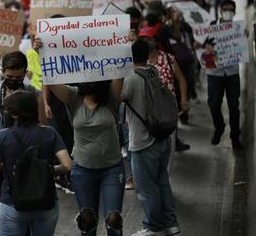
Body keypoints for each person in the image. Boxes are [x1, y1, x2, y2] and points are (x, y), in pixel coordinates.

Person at [0, 51, 45, 236]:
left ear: (25, 73)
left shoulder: (33, 94)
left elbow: (42, 128)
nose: (13, 80)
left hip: (25, 168)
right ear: (1, 71)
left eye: (18, 77)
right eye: (9, 77)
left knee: (26, 219)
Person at [0, 90, 72, 236]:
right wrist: (51, 169)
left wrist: (8, 165)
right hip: (46, 203)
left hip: (12, 204)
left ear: (14, 114)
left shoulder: (3, 136)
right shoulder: (50, 133)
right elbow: (67, 165)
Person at [46, 78, 125, 236]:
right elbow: (52, 79)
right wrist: (44, 54)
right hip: (83, 170)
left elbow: (118, 68)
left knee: (113, 220)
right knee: (87, 222)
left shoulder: (111, 95)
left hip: (112, 169)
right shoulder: (73, 96)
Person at [122, 40, 180, 236]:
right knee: (163, 182)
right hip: (162, 138)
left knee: (146, 188)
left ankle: (153, 226)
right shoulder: (154, 71)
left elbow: (118, 97)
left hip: (143, 141)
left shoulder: (131, 78)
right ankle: (171, 224)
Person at [137, 25, 190, 152]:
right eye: (142, 40)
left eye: (148, 39)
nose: (146, 43)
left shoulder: (168, 58)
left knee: (168, 148)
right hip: (147, 113)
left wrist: (183, 100)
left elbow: (181, 79)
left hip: (168, 111)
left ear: (155, 41)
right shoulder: (138, 61)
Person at [204, 0, 243, 150]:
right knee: (214, 105)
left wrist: (243, 37)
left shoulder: (237, 28)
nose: (228, 12)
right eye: (226, 9)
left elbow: (241, 48)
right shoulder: (211, 28)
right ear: (220, 10)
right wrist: (205, 49)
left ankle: (235, 137)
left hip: (232, 72)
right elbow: (201, 48)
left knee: (234, 106)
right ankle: (219, 127)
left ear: (234, 11)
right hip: (214, 73)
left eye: (231, 10)